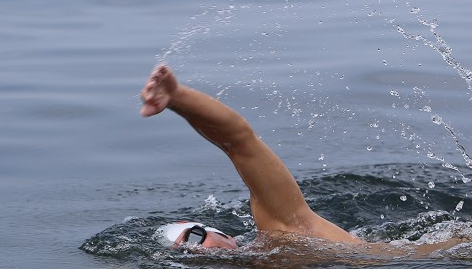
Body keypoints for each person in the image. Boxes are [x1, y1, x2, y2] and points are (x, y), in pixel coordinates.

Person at [140, 64, 360, 248]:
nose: (195, 252)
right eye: (184, 253)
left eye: (194, 238)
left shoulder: (283, 229)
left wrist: (177, 97)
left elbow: (239, 142)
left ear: (225, 235)